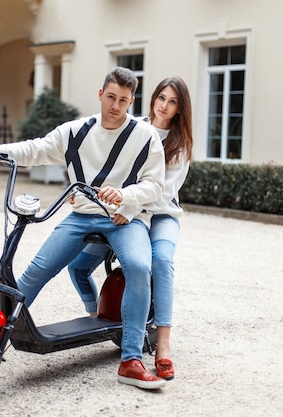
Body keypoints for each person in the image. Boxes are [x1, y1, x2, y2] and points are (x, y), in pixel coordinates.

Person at [0, 67, 167, 390]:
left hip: (123, 218)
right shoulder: (76, 131)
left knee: (138, 265)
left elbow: (155, 185)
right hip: (82, 215)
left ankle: (131, 360)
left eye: (123, 100)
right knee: (36, 271)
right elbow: (37, 148)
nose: (116, 106)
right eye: (111, 97)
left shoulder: (144, 136)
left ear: (132, 101)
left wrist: (125, 196)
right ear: (100, 94)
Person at [67, 76, 193, 381]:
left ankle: (162, 346)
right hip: (122, 210)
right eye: (161, 97)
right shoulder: (132, 127)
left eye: (172, 101)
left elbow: (161, 193)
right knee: (78, 264)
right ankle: (95, 316)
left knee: (160, 261)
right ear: (151, 99)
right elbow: (101, 165)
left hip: (159, 215)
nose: (164, 105)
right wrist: (83, 193)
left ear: (179, 109)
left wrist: (128, 207)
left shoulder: (180, 145)